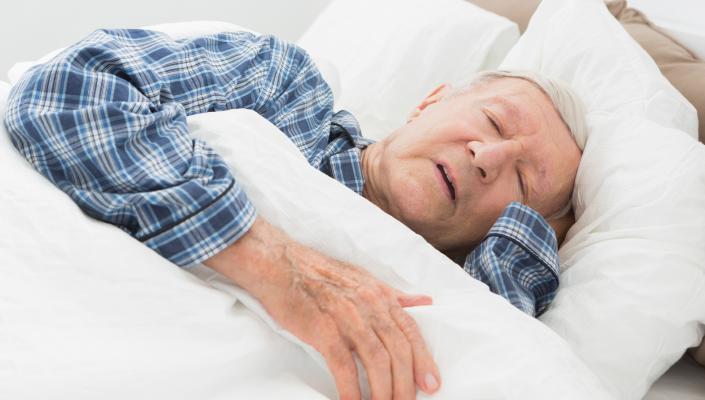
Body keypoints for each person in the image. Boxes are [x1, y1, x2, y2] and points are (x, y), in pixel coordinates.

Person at [4, 29, 585, 399]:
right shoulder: (287, 93)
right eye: (493, 123)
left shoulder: (452, 289)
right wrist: (272, 264)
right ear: (430, 101)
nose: (488, 158)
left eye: (522, 181)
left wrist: (535, 230)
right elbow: (69, 93)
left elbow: (494, 361)